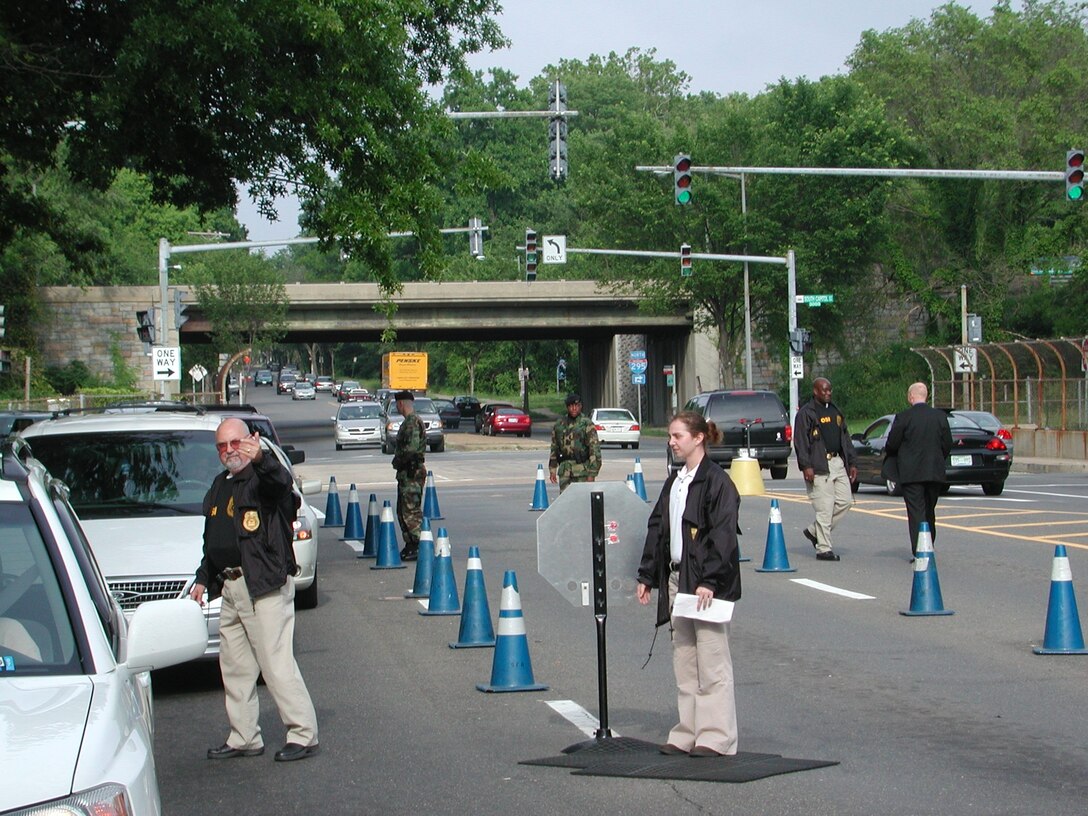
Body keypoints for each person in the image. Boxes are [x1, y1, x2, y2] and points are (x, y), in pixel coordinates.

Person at [189, 418, 319, 762]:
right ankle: (244, 736)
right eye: (222, 446)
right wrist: (204, 577)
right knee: (235, 667)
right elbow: (213, 540)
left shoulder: (263, 479)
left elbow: (281, 482)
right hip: (229, 587)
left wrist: (261, 458)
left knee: (275, 663)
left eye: (235, 443)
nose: (229, 451)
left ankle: (302, 733)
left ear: (251, 441)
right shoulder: (220, 485)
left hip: (263, 585)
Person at [636, 411, 741, 758]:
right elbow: (658, 528)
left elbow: (723, 536)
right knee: (684, 660)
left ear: (698, 438)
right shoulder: (676, 481)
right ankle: (687, 731)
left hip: (705, 583)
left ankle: (716, 736)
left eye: (677, 436)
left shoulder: (717, 482)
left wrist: (710, 580)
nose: (671, 442)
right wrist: (648, 576)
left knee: (711, 661)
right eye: (670, 436)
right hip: (676, 579)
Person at [885, 382, 953, 557]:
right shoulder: (939, 417)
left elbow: (892, 443)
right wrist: (938, 458)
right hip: (934, 471)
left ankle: (919, 550)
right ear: (926, 396)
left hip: (911, 473)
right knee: (929, 510)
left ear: (910, 397)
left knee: (916, 512)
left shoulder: (904, 417)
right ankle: (930, 544)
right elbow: (947, 444)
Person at [793, 377, 858, 562]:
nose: (828, 393)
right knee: (824, 507)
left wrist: (852, 463)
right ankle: (824, 548)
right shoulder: (807, 413)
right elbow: (801, 442)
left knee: (845, 501)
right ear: (815, 391)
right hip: (819, 465)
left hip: (838, 462)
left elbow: (845, 438)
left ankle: (814, 531)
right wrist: (806, 466)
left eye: (829, 390)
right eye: (824, 390)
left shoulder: (836, 411)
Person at [391, 390, 426, 561]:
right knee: (402, 511)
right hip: (407, 472)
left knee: (410, 512)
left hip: (411, 472)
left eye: (397, 404)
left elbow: (411, 450)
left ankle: (421, 544)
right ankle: (411, 544)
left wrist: (399, 459)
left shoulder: (412, 423)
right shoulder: (411, 421)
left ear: (401, 404)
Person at [548, 393, 601, 491]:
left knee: (582, 500)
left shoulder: (586, 424)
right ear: (567, 407)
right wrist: (552, 469)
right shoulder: (559, 425)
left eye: (576, 406)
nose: (574, 409)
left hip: (582, 470)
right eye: (571, 406)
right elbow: (554, 448)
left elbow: (594, 450)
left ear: (580, 406)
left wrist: (592, 473)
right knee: (565, 501)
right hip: (565, 470)